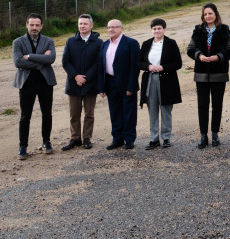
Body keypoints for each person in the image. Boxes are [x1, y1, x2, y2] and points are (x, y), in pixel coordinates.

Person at [187, 3, 230, 148]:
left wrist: (218, 57)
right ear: (203, 16)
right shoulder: (198, 30)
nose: (208, 16)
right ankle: (203, 136)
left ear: (216, 14)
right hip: (201, 74)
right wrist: (199, 56)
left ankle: (215, 134)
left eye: (210, 13)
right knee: (202, 105)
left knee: (217, 105)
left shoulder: (224, 29)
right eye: (205, 14)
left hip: (218, 74)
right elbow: (190, 49)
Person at [13, 13, 57, 160]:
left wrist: (30, 56)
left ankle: (46, 142)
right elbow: (18, 62)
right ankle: (22, 146)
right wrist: (41, 61)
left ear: (41, 26)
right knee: (25, 116)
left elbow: (51, 59)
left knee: (47, 113)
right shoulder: (17, 42)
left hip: (45, 82)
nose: (34, 27)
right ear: (26, 25)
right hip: (26, 83)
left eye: (37, 25)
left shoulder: (48, 40)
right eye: (31, 25)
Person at [138, 18, 183, 150]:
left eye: (159, 28)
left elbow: (178, 63)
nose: (157, 31)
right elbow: (139, 62)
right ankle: (154, 139)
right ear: (151, 30)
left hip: (167, 80)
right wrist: (148, 66)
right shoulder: (146, 44)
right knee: (152, 109)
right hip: (150, 79)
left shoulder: (171, 43)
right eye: (154, 29)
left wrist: (163, 67)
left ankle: (166, 137)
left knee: (165, 109)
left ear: (164, 29)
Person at [97, 19, 141, 150]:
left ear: (121, 28)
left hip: (126, 82)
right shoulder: (104, 45)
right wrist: (101, 87)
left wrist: (131, 86)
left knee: (129, 111)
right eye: (109, 27)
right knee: (114, 111)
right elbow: (101, 67)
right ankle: (117, 138)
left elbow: (135, 67)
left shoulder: (131, 43)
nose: (111, 30)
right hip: (110, 82)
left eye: (114, 27)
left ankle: (129, 138)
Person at [61, 14, 102, 151]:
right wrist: (76, 76)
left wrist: (86, 77)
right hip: (74, 83)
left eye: (85, 23)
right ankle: (75, 139)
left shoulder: (98, 43)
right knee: (74, 113)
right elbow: (65, 61)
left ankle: (87, 138)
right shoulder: (70, 41)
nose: (82, 26)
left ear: (91, 25)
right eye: (80, 24)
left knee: (89, 113)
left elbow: (98, 63)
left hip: (91, 83)